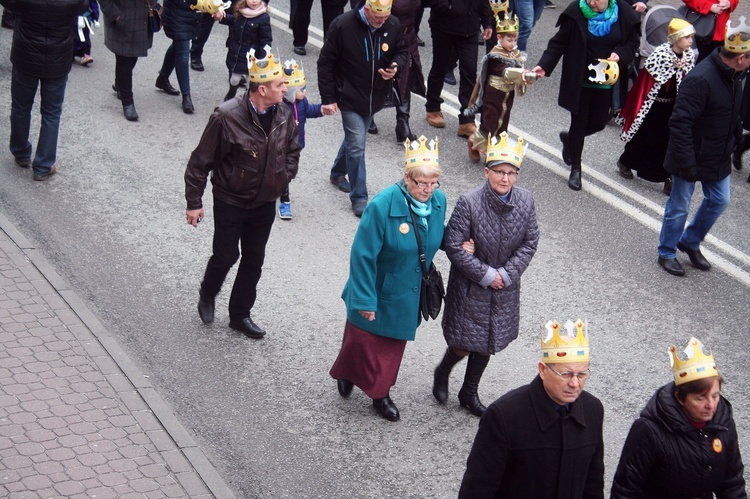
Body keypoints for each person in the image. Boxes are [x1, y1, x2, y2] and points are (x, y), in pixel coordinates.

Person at [184, 47, 301, 338]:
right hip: (230, 201)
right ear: (262, 89)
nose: (285, 88)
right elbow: (200, 162)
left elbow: (293, 151)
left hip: (264, 203)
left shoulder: (284, 114)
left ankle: (240, 315)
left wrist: (281, 179)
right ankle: (208, 293)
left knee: (254, 260)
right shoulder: (226, 116)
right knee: (225, 256)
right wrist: (194, 203)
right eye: (279, 85)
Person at [329, 136, 446, 422]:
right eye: (421, 183)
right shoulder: (381, 206)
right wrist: (365, 299)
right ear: (406, 177)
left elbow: (436, 235)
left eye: (433, 184)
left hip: (408, 291)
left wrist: (462, 243)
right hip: (376, 287)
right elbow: (363, 256)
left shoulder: (438, 201)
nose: (428, 190)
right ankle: (346, 373)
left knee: (390, 349)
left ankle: (380, 394)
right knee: (361, 342)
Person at [434, 132, 539, 417]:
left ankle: (469, 392)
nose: (505, 179)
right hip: (472, 287)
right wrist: (486, 274)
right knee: (464, 343)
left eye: (511, 173)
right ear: (487, 172)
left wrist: (505, 275)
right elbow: (455, 246)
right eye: (499, 172)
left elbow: (530, 242)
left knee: (489, 342)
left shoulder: (526, 202)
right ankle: (443, 371)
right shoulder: (469, 203)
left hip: (504, 286)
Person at [458, 319, 604, 497]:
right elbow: (478, 488)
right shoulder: (504, 416)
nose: (574, 384)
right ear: (543, 370)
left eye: (581, 374)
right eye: (565, 374)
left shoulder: (593, 410)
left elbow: (593, 482)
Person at [656, 17, 750, 277]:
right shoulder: (701, 79)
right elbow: (680, 122)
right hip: (690, 154)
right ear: (740, 58)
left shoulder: (736, 75)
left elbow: (730, 111)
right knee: (679, 207)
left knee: (720, 200)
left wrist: (736, 135)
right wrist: (686, 163)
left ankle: (690, 240)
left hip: (717, 152)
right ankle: (666, 252)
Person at [611, 337, 747, 498]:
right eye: (700, 398)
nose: (711, 405)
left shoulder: (723, 423)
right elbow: (626, 490)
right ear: (680, 398)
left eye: (715, 396)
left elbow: (732, 482)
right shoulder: (648, 431)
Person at [531, 0, 640, 191]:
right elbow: (558, 43)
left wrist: (619, 55)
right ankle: (576, 168)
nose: (590, 2)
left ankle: (570, 139)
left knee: (598, 123)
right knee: (579, 123)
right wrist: (544, 65)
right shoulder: (576, 12)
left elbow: (632, 44)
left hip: (605, 81)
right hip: (579, 79)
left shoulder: (623, 14)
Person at [317, 0, 407, 217]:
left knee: (354, 138)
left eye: (385, 18)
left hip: (374, 97)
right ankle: (359, 197)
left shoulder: (392, 25)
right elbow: (325, 63)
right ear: (366, 10)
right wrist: (328, 98)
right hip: (348, 95)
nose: (382, 22)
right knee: (357, 144)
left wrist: (395, 67)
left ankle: (338, 172)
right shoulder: (342, 25)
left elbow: (402, 51)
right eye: (378, 18)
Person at [2, 0, 89, 181]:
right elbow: (84, 6)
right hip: (58, 58)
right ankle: (43, 165)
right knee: (51, 113)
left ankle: (21, 152)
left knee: (21, 106)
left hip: (25, 54)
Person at [616, 19, 696, 196]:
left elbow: (688, 79)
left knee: (670, 142)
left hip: (675, 107)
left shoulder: (688, 56)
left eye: (691, 37)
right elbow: (647, 83)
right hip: (655, 106)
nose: (691, 41)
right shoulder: (660, 55)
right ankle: (626, 160)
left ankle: (668, 177)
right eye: (687, 37)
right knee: (644, 138)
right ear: (676, 38)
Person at [466, 13, 537, 162]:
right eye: (509, 40)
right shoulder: (495, 55)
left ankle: (496, 144)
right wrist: (521, 74)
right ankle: (477, 143)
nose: (512, 43)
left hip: (507, 93)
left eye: (515, 40)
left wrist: (526, 75)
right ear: (499, 38)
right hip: (493, 92)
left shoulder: (515, 54)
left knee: (503, 119)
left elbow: (518, 67)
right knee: (490, 120)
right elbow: (504, 71)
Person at [424, 0, 493, 138]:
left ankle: (466, 120)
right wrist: (448, 7)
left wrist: (487, 22)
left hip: (470, 28)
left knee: (469, 70)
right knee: (440, 66)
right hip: (444, 27)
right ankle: (432, 107)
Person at [279, 60, 329, 220]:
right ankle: (284, 201)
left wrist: (322, 109)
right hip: (279, 146)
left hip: (297, 145)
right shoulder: (279, 106)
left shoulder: (302, 102)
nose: (305, 91)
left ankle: (276, 186)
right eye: (302, 89)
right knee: (283, 172)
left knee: (290, 171)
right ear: (290, 91)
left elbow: (309, 110)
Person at [100, 0, 156, 121]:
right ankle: (128, 102)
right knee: (125, 59)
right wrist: (115, 14)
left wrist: (154, 6)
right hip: (121, 14)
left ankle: (120, 84)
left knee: (130, 57)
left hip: (141, 15)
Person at [215, 0, 273, 102]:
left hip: (252, 56)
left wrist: (263, 57)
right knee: (234, 79)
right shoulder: (240, 11)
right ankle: (232, 91)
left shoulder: (263, 17)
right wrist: (220, 16)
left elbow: (266, 39)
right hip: (237, 53)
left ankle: (247, 100)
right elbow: (232, 20)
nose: (254, 1)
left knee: (250, 81)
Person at [156, 0, 202, 114]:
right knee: (182, 51)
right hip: (176, 11)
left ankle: (162, 78)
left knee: (179, 45)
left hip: (193, 11)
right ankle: (186, 95)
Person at [391, 0, 426, 143]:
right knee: (379, 73)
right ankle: (368, 115)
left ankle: (402, 123)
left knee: (407, 74)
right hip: (385, 35)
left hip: (408, 36)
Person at [73, 0, 99, 66]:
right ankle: (70, 54)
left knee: (85, 37)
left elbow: (93, 4)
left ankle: (85, 54)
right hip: (71, 18)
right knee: (70, 37)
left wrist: (95, 17)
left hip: (84, 18)